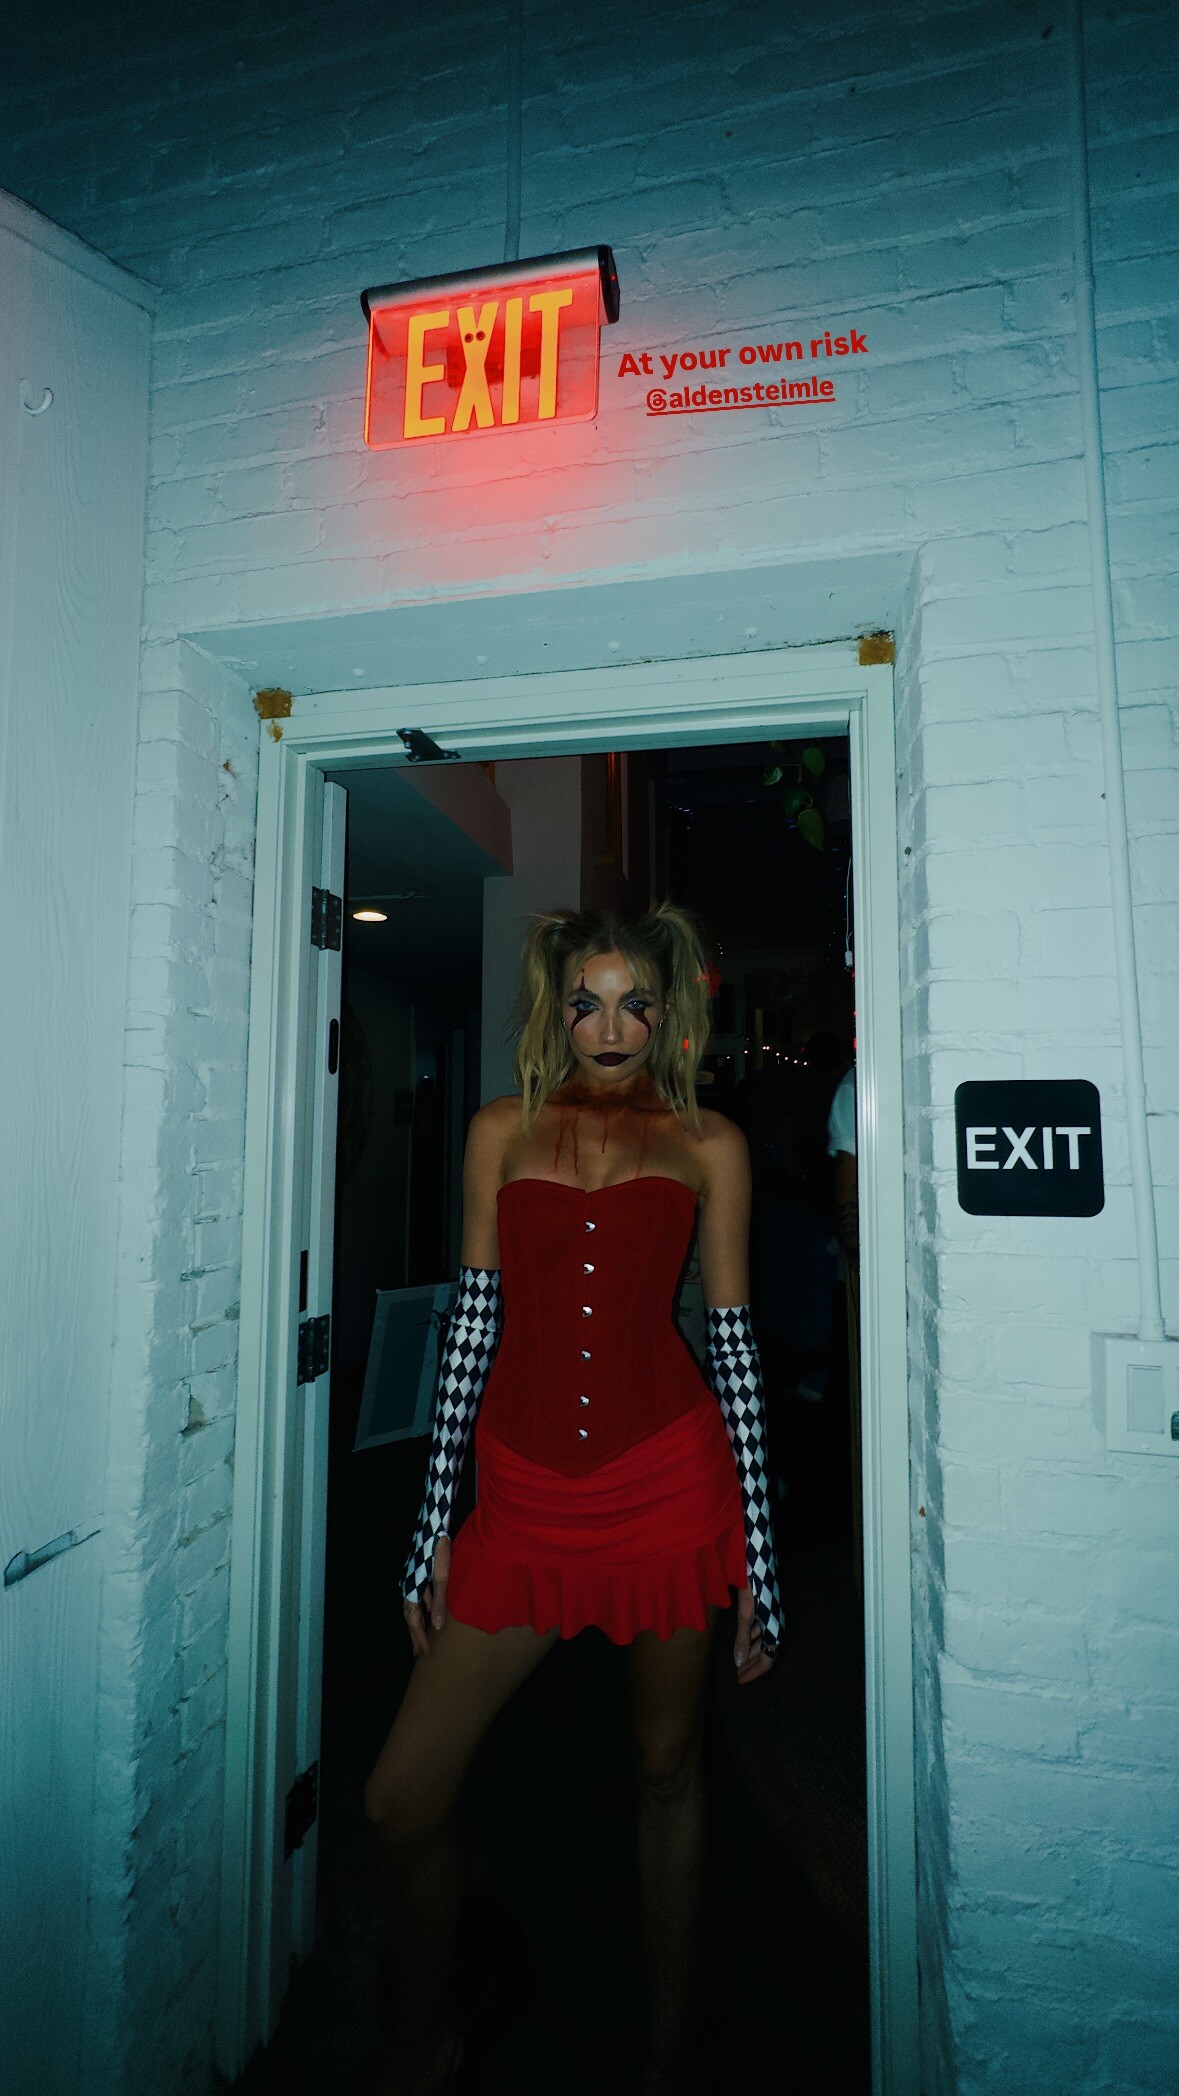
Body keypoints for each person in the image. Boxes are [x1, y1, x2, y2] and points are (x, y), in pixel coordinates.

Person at [363, 903, 783, 2096]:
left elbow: (734, 1349)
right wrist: (430, 1529)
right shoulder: (499, 1129)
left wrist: (760, 1556)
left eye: (635, 1002)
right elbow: (470, 1331)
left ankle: (663, 2047)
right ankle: (429, 2028)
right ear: (558, 1008)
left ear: (668, 1011)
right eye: (589, 1001)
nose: (611, 1026)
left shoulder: (709, 1143)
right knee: (400, 1798)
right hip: (523, 1499)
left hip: (669, 1487)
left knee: (666, 1769)